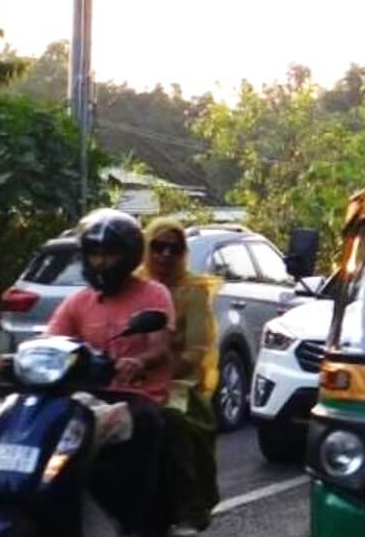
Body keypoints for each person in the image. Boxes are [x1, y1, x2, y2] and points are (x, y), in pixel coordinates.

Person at [48, 209, 175, 537]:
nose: (101, 262)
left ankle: (137, 523)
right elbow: (51, 340)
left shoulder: (154, 295)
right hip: (88, 397)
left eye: (109, 254)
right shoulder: (79, 302)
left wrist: (140, 361)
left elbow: (161, 346)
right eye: (95, 254)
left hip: (136, 396)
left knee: (142, 430)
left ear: (129, 256)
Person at [141, 217, 220, 535]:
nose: (164, 256)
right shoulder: (134, 285)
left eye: (173, 249)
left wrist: (164, 371)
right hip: (129, 376)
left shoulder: (193, 292)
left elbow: (197, 349)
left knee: (174, 422)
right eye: (158, 247)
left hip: (177, 381)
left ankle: (190, 507)